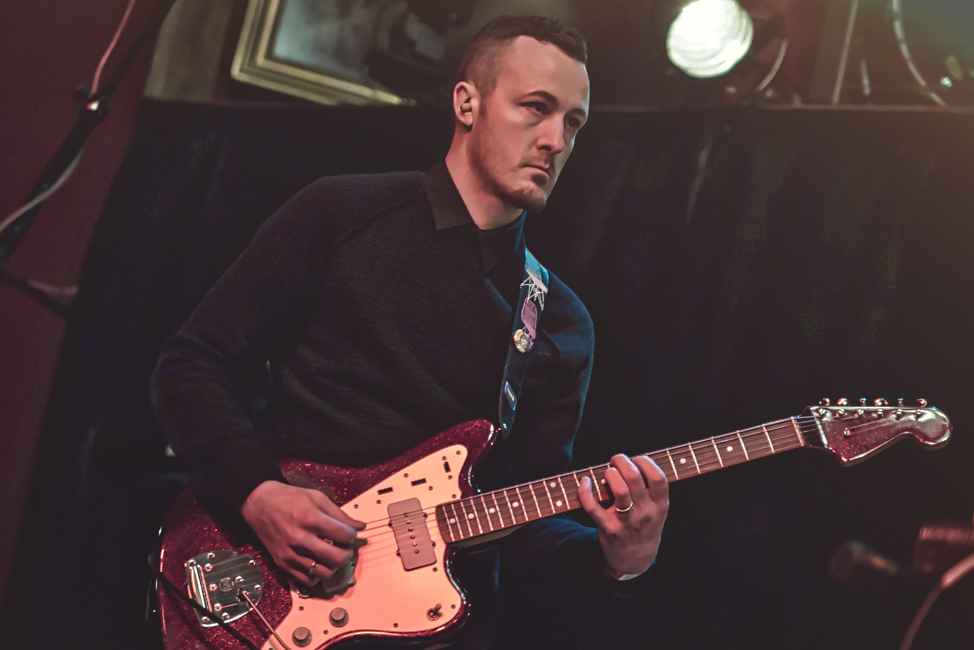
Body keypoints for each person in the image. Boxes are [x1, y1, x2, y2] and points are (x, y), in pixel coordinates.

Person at [150, 14, 669, 648]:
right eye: (536, 108)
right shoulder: (340, 213)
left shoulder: (560, 322)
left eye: (574, 123)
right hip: (264, 584)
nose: (555, 140)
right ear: (467, 103)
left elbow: (522, 520)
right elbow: (192, 366)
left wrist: (620, 559)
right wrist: (257, 493)